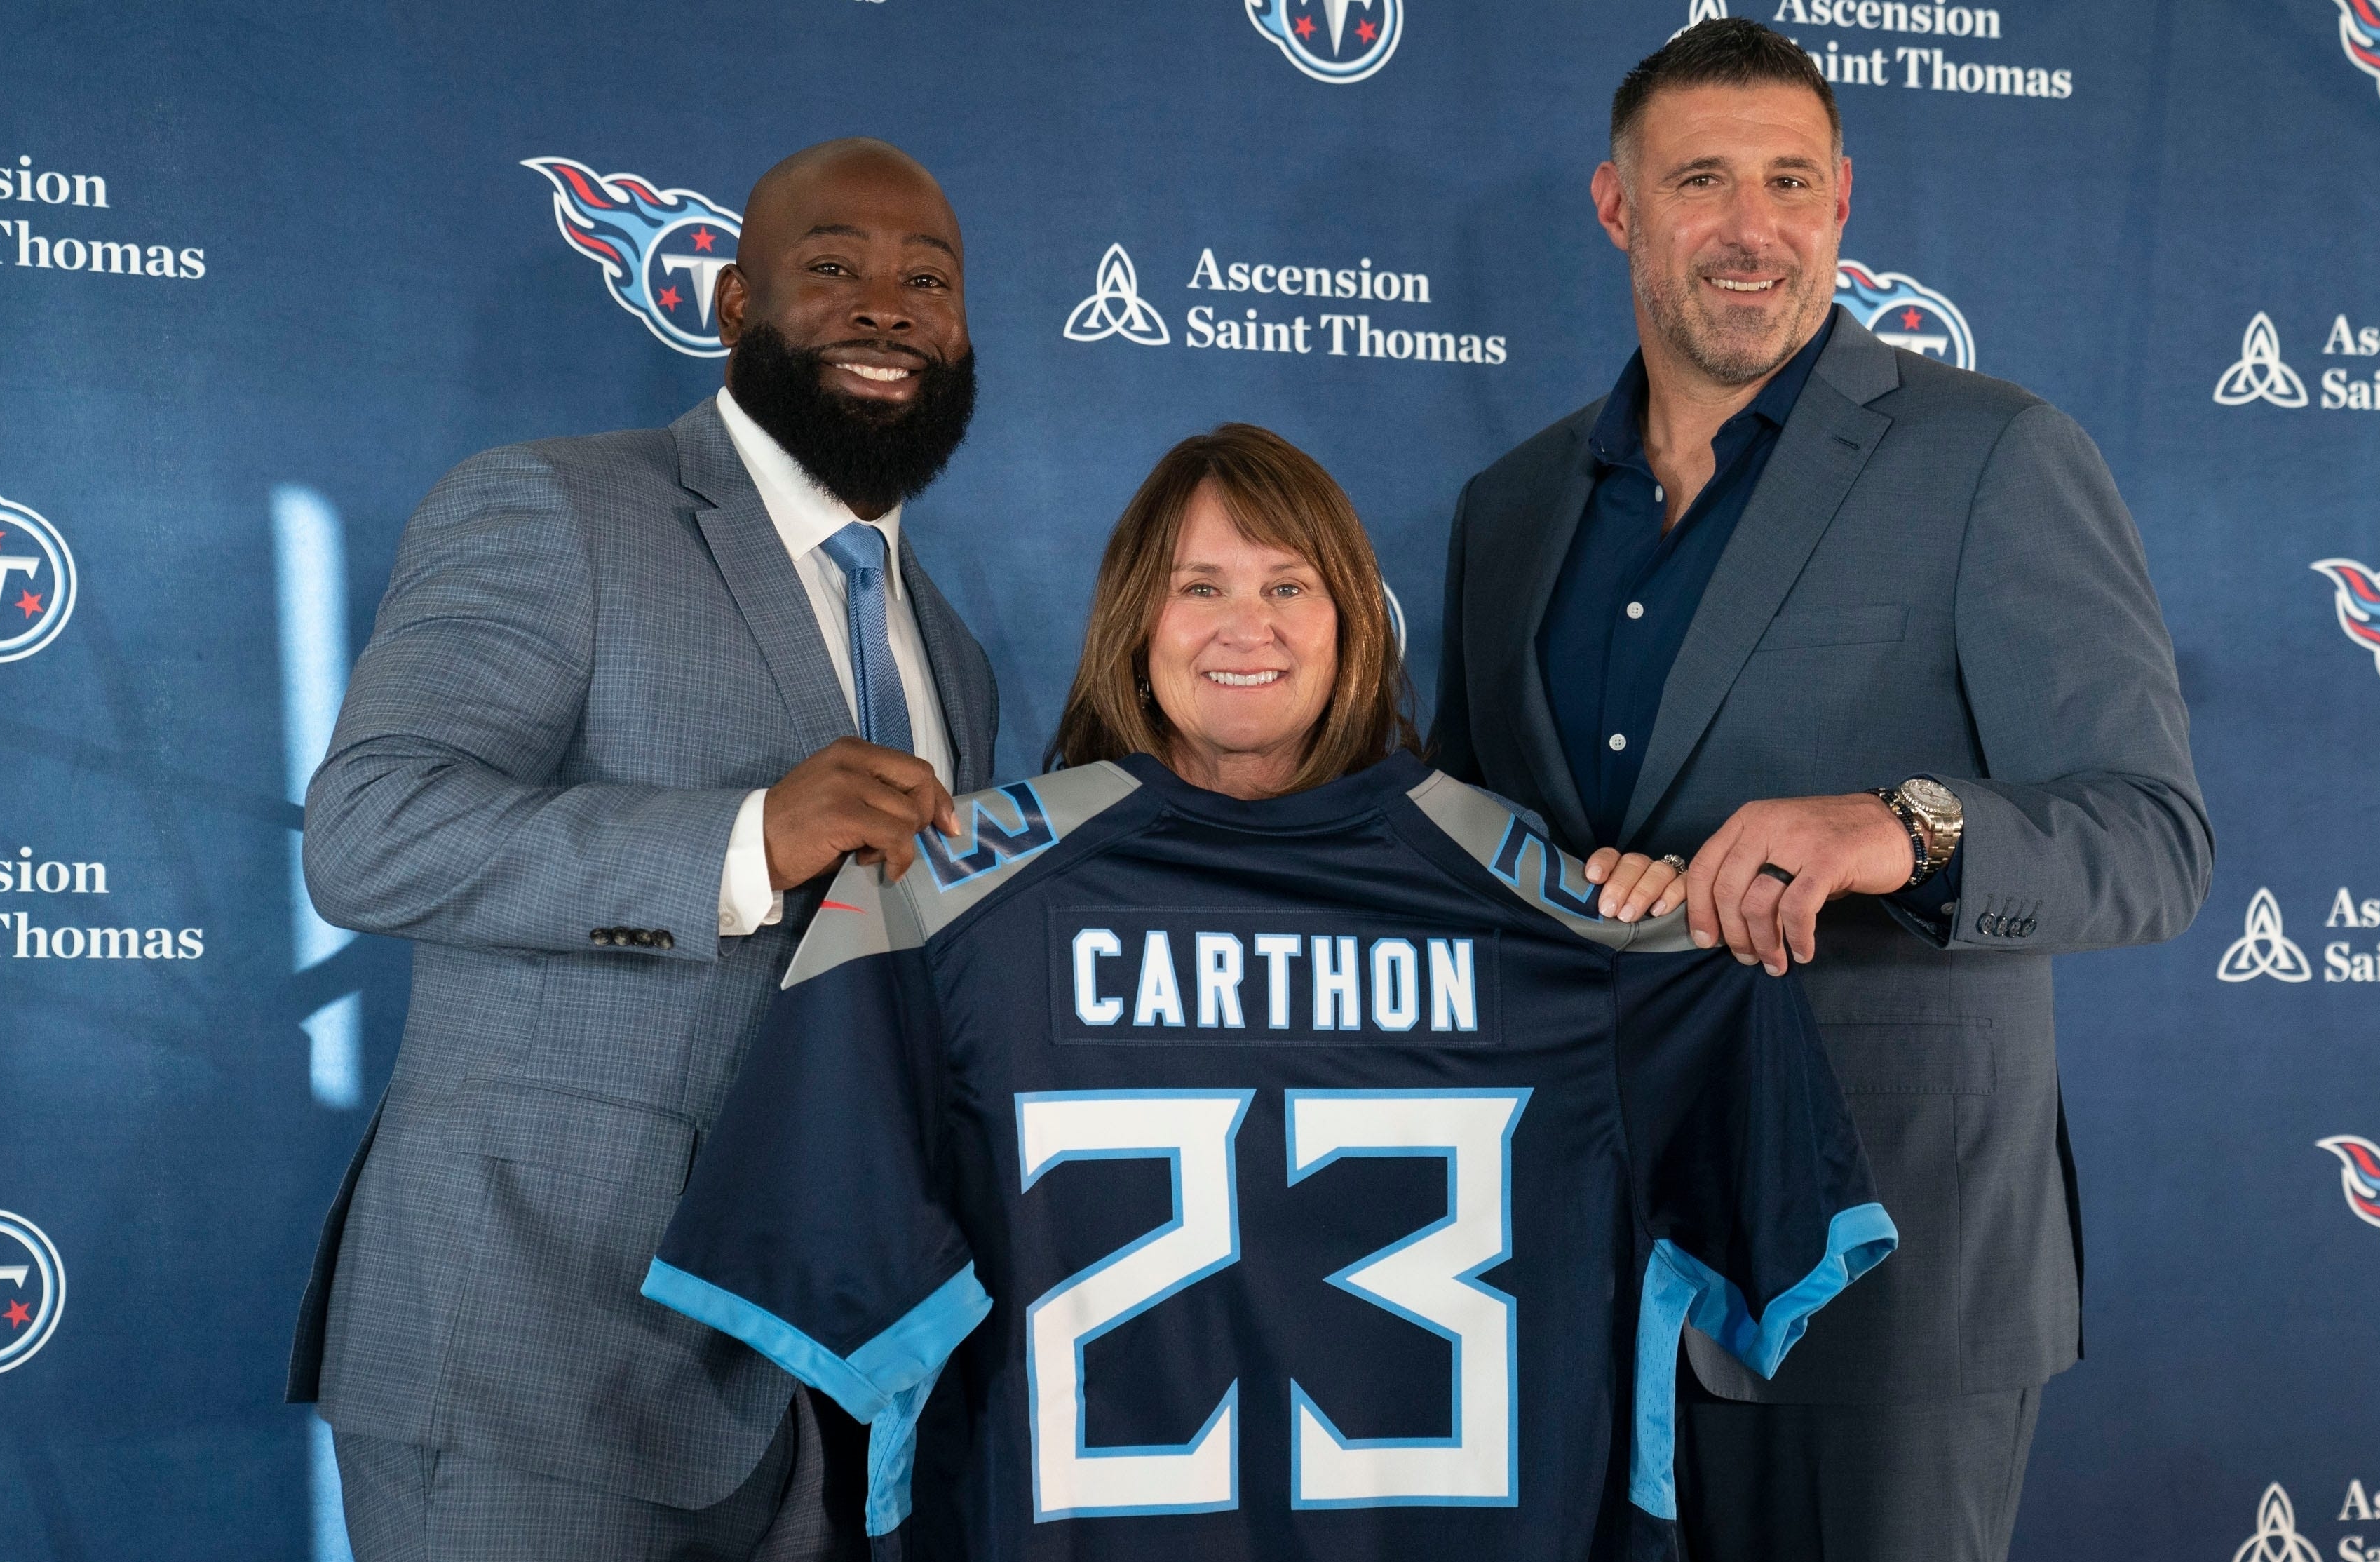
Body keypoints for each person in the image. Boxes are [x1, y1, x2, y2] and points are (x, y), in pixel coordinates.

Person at [636, 422, 1893, 1560]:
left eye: (1290, 586)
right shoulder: (946, 905)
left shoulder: (1581, 930)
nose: (1251, 626)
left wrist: (1682, 912)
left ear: (1354, 620)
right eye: (1202, 587)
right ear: (1136, 618)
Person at [1427, 20, 2211, 1562]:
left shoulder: (1993, 456)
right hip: (1564, 1277)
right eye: (1700, 179)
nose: (1750, 228)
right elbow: (1478, 842)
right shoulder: (1506, 509)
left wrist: (1898, 827)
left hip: (1882, 1295)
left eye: (1789, 180)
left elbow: (2151, 839)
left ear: (1841, 201)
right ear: (1616, 208)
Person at [285, 137, 997, 1561]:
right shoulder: (555, 507)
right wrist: (739, 840)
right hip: (528, 1361)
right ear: (733, 304)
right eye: (834, 266)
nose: (887, 303)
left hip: (821, 1387)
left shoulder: (955, 654)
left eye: (928, 278)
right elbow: (367, 834)